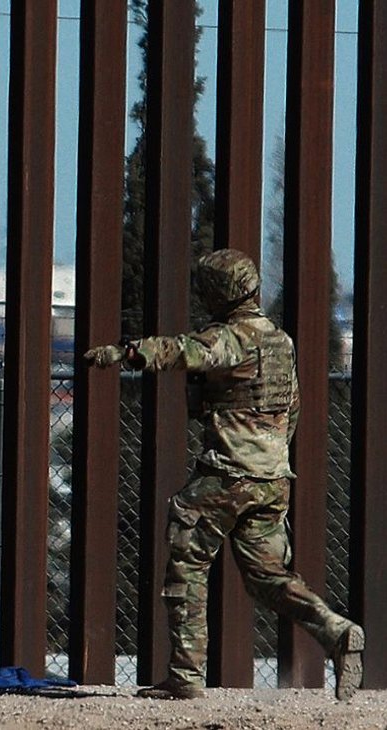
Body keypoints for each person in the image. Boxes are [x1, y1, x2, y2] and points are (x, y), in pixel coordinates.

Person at [83, 249, 364, 701]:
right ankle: (336, 631)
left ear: (218, 292)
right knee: (268, 578)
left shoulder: (231, 338)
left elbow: (182, 351)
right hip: (272, 478)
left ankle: (185, 674)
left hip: (229, 474)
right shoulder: (280, 341)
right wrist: (271, 454)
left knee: (187, 562)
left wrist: (126, 352)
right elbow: (292, 406)